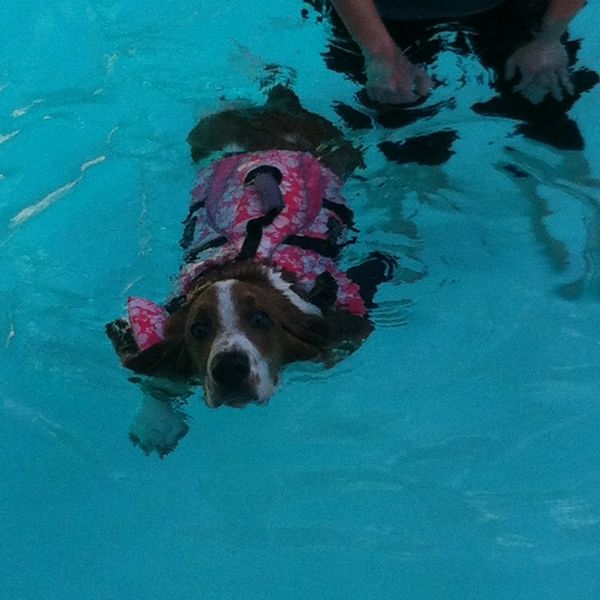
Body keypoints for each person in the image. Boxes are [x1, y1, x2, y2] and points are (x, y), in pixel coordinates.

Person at [328, 0, 587, 105]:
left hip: (500, 5)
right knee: (396, 108)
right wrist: (379, 53)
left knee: (544, 97)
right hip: (384, 12)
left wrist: (549, 38)